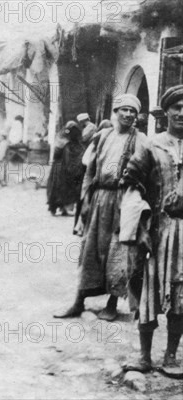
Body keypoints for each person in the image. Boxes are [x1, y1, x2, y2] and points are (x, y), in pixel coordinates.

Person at [54, 94, 147, 321]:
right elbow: (89, 170)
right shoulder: (103, 136)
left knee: (117, 251)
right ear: (115, 112)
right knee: (89, 250)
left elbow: (146, 172)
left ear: (136, 116)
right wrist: (85, 200)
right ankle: (78, 301)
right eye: (123, 110)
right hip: (99, 198)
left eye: (132, 111)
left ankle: (112, 303)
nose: (127, 115)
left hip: (123, 200)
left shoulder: (140, 139)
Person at [120, 84, 183, 376]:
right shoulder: (151, 145)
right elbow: (132, 185)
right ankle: (144, 356)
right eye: (177, 107)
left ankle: (171, 356)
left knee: (181, 295)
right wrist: (141, 225)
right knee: (149, 291)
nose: (181, 113)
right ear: (166, 111)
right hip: (157, 230)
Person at [46, 121, 85, 216]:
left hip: (58, 168)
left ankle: (61, 209)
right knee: (60, 188)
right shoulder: (66, 143)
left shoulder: (61, 138)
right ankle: (55, 208)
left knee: (61, 188)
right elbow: (67, 156)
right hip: (61, 168)